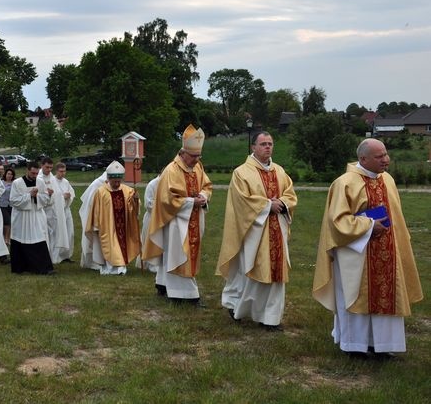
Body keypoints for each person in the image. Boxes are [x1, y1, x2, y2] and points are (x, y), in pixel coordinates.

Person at [313, 138, 423, 357]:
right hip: (355, 253)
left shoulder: (388, 180)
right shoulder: (344, 183)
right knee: (355, 295)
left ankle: (383, 346)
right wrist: (369, 225)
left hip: (388, 251)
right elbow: (337, 221)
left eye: (385, 154)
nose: (386, 159)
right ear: (363, 158)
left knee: (387, 293)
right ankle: (355, 345)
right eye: (379, 156)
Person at [216, 131, 297, 329]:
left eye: (270, 144)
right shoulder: (242, 172)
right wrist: (267, 205)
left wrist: (283, 203)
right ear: (253, 147)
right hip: (253, 232)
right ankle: (238, 306)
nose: (267, 147)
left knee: (276, 276)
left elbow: (290, 194)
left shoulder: (279, 171)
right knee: (252, 272)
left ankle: (270, 318)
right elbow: (241, 201)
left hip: (276, 229)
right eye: (263, 144)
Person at [142, 125, 212, 305]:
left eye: (199, 156)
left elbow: (206, 186)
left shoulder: (198, 168)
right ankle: (186, 295)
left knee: (176, 255)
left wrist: (203, 197)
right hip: (175, 221)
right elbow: (166, 199)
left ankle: (163, 285)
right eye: (193, 156)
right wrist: (191, 202)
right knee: (180, 255)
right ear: (183, 152)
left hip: (194, 218)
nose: (196, 160)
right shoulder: (171, 170)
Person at [84, 161, 141, 275]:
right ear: (109, 179)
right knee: (109, 247)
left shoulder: (127, 190)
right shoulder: (101, 192)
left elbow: (133, 209)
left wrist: (135, 199)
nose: (117, 183)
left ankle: (121, 268)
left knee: (121, 246)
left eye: (119, 181)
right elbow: (96, 209)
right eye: (114, 181)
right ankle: (109, 268)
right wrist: (96, 225)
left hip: (123, 226)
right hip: (107, 226)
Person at [9, 161, 56, 275]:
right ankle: (21, 268)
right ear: (27, 170)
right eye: (32, 173)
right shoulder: (17, 183)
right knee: (21, 240)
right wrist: (29, 195)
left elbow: (44, 200)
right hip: (22, 217)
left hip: (36, 215)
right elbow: (13, 201)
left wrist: (47, 195)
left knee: (39, 238)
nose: (34, 176)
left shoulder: (40, 182)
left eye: (36, 173)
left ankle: (43, 268)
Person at [38, 157, 70, 264]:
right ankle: (43, 256)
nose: (49, 170)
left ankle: (53, 256)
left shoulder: (52, 178)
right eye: (47, 167)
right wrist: (48, 194)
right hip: (41, 210)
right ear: (42, 165)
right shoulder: (38, 178)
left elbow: (58, 195)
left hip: (52, 210)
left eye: (51, 168)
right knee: (44, 233)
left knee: (54, 234)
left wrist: (61, 197)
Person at [79, 170, 108, 269]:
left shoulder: (106, 183)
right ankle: (92, 261)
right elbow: (91, 201)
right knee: (92, 239)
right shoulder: (98, 184)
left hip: (104, 216)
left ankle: (102, 260)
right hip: (93, 215)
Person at [136, 174, 160, 272]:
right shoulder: (152, 184)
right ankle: (150, 264)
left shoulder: (170, 183)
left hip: (165, 218)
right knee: (150, 241)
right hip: (152, 217)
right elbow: (148, 203)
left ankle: (160, 263)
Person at [54, 162, 76, 262]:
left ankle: (67, 255)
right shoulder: (52, 181)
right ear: (56, 171)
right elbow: (53, 197)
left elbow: (72, 193)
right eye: (61, 171)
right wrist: (63, 197)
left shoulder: (65, 182)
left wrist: (69, 196)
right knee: (59, 233)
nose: (63, 173)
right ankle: (58, 255)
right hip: (57, 212)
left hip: (66, 210)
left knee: (69, 232)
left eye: (64, 171)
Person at [0, 167, 16, 251]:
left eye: (11, 174)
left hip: (11, 205)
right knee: (7, 222)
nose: (10, 176)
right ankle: (6, 239)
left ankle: (8, 238)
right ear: (5, 174)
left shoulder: (15, 183)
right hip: (2, 205)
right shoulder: (1, 183)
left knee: (10, 223)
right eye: (8, 174)